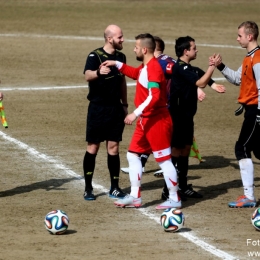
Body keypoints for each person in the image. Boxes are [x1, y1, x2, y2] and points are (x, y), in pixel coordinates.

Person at [120, 36, 225, 182]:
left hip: (167, 111)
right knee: (163, 144)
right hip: (173, 111)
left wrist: (204, 85)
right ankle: (163, 177)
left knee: (170, 147)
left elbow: (189, 73)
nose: (136, 50)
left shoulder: (162, 63)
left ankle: (174, 184)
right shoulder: (158, 64)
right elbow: (189, 73)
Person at [102, 33, 181, 209]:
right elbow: (136, 73)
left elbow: (155, 96)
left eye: (136, 47)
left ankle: (175, 198)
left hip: (157, 120)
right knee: (133, 154)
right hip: (146, 121)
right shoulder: (145, 67)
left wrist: (134, 113)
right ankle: (135, 196)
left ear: (144, 49)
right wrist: (117, 64)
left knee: (164, 160)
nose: (134, 49)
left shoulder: (153, 68)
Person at [168, 36, 220, 201]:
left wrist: (214, 84)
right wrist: (212, 67)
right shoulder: (180, 68)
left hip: (187, 116)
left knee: (185, 149)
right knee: (176, 151)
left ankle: (182, 187)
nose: (196, 50)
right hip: (177, 116)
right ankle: (167, 188)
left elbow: (199, 73)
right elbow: (200, 82)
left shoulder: (188, 68)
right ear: (186, 51)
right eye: (194, 48)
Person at [215, 21, 260, 208]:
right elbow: (236, 79)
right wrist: (220, 66)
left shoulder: (257, 59)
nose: (237, 38)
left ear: (249, 36)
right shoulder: (248, 58)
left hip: (256, 110)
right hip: (252, 109)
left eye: (239, 35)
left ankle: (249, 196)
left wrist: (259, 114)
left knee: (241, 148)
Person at [82, 24, 128, 201]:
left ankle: (115, 188)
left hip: (115, 108)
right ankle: (88, 188)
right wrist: (98, 72)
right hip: (98, 108)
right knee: (93, 147)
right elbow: (87, 75)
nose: (123, 40)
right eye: (120, 37)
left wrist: (124, 104)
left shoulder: (121, 57)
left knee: (114, 147)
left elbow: (122, 82)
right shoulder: (95, 55)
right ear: (110, 39)